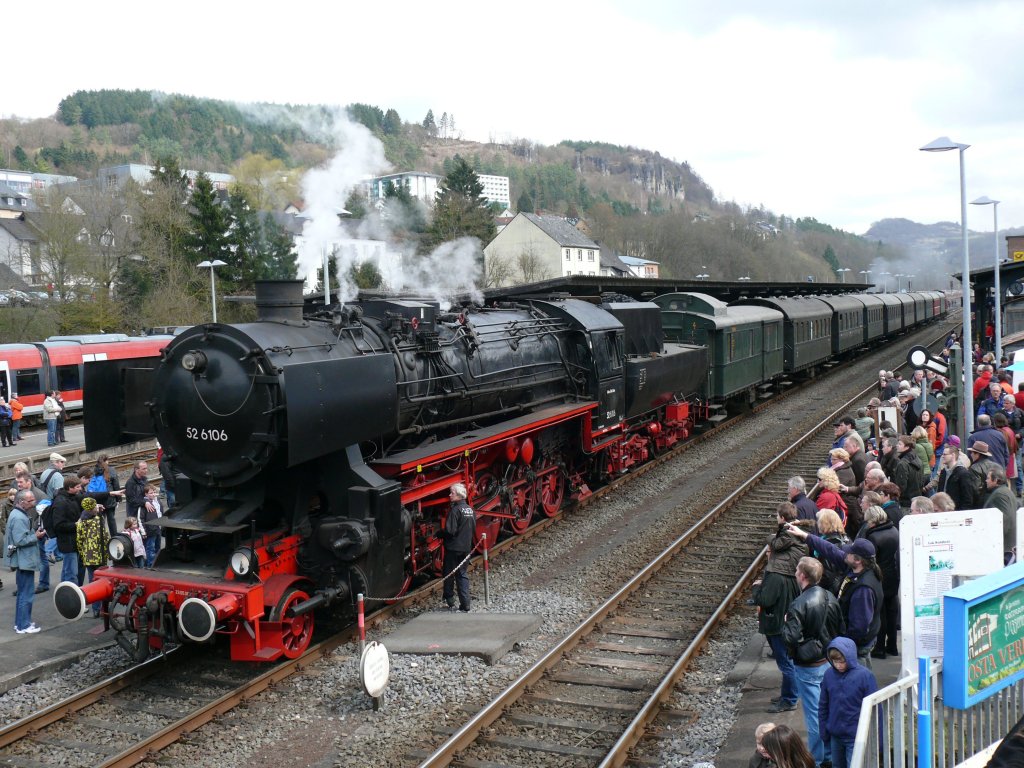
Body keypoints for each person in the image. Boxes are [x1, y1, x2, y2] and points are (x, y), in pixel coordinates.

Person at [784, 525, 883, 664]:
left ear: (858, 560)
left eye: (849, 553)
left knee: (856, 680)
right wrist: (805, 536)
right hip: (855, 641)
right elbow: (831, 550)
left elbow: (859, 627)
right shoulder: (858, 568)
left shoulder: (863, 590)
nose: (844, 553)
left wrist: (841, 647)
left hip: (855, 647)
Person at [782, 557, 843, 766]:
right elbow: (839, 627)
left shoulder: (799, 604)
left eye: (797, 570)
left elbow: (789, 637)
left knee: (814, 715)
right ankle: (829, 754)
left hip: (808, 666)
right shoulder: (830, 597)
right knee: (827, 708)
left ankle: (818, 758)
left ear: (802, 575)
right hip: (828, 661)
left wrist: (785, 624)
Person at [754, 501, 806, 713]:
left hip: (777, 622)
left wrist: (756, 589)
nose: (767, 554)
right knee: (787, 662)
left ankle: (791, 699)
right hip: (784, 617)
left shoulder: (776, 574)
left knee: (786, 663)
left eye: (769, 551)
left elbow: (765, 600)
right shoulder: (792, 561)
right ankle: (787, 695)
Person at [820, 637, 878, 768]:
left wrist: (877, 740)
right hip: (836, 735)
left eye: (842, 661)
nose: (838, 665)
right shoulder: (828, 675)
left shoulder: (865, 676)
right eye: (835, 661)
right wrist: (823, 730)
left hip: (856, 737)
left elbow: (875, 709)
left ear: (850, 657)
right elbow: (823, 705)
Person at [4, 489, 44, 633]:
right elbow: (20, 540)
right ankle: (24, 625)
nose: (34, 503)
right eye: (30, 501)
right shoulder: (19, 518)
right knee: (26, 594)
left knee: (23, 593)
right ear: (21, 502)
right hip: (24, 560)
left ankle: (20, 623)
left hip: (22, 560)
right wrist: (36, 536)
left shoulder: (17, 514)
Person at [862, 506, 900, 658]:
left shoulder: (873, 537)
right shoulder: (894, 531)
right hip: (894, 575)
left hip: (880, 576)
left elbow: (871, 560)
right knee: (892, 611)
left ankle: (879, 648)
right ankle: (892, 645)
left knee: (880, 613)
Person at [441, 483, 475, 612]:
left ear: (459, 494)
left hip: (454, 548)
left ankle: (450, 600)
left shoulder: (455, 510)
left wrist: (440, 534)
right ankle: (465, 604)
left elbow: (450, 531)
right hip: (466, 548)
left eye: (452, 493)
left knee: (448, 573)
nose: (450, 495)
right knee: (462, 574)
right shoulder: (470, 510)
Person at [76, 497, 110, 617]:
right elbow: (105, 537)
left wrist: (83, 553)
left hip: (88, 556)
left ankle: (96, 609)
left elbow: (79, 540)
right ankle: (103, 608)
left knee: (92, 581)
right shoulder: (98, 519)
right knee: (103, 582)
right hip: (100, 555)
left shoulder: (81, 522)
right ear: (92, 508)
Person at [51, 474, 85, 585]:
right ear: (70, 488)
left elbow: (88, 497)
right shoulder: (60, 502)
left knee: (68, 570)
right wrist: (76, 525)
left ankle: (65, 591)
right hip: (68, 543)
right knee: (71, 573)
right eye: (78, 487)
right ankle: (71, 597)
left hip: (74, 541)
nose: (80, 489)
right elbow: (58, 525)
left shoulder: (73, 497)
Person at [982, 466, 1017, 564]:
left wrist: (995, 540)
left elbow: (1006, 519)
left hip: (1005, 548)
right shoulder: (1005, 492)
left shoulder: (1000, 495)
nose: (986, 481)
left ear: (996, 480)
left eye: (988, 478)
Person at [811, 510, 850, 594]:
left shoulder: (830, 543)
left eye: (819, 521)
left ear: (824, 524)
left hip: (828, 589)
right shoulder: (844, 538)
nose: (817, 524)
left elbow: (827, 573)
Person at [91, 454, 122, 537]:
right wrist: (118, 499)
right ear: (106, 461)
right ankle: (114, 536)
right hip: (110, 498)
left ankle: (101, 537)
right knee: (111, 519)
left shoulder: (95, 470)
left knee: (101, 520)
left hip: (99, 498)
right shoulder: (111, 470)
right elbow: (116, 485)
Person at [967, 442, 1001, 509]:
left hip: (981, 505)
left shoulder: (974, 468)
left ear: (977, 454)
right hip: (997, 501)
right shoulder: (997, 466)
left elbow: (975, 490)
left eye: (972, 452)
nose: (971, 455)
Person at [140, 484, 163, 567]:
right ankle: (150, 564)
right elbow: (140, 519)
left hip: (158, 528)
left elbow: (161, 513)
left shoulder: (158, 501)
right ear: (146, 494)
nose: (153, 494)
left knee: (158, 547)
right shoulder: (144, 505)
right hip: (150, 530)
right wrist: (143, 532)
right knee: (150, 548)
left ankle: (157, 563)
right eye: (150, 493)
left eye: (154, 492)